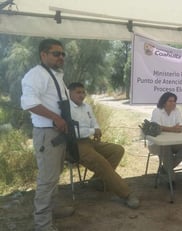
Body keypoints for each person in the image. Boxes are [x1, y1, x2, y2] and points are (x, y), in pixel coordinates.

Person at [21, 39, 74, 231]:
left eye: (62, 54)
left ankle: (52, 209)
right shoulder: (35, 75)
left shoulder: (55, 74)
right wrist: (56, 118)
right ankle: (42, 224)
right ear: (43, 55)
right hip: (47, 133)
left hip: (58, 133)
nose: (61, 57)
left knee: (54, 174)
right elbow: (29, 103)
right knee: (47, 179)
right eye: (56, 53)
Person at [68, 82, 140, 209]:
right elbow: (73, 132)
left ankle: (97, 181)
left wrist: (97, 129)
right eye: (78, 92)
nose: (82, 95)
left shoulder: (86, 107)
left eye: (83, 92)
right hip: (74, 145)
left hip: (88, 141)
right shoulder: (66, 108)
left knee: (117, 150)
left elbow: (94, 122)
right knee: (102, 163)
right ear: (70, 93)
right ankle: (127, 194)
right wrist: (92, 131)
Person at [148, 92, 182, 186]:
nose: (173, 103)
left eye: (174, 101)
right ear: (164, 102)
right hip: (157, 144)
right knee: (166, 147)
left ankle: (164, 169)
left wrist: (180, 127)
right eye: (170, 101)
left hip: (172, 142)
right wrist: (172, 129)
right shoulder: (157, 111)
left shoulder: (176, 111)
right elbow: (157, 127)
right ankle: (171, 179)